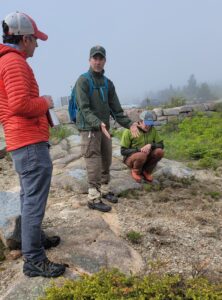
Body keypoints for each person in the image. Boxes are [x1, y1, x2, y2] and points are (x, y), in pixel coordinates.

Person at [0, 12, 66, 277]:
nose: (37, 45)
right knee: (33, 201)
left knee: (29, 197)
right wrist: (46, 103)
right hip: (28, 142)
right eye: (35, 40)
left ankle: (33, 241)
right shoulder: (14, 63)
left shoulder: (7, 61)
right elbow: (19, 105)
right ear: (24, 38)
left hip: (21, 140)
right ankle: (34, 260)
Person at [74, 45, 139, 212]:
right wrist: (98, 123)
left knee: (106, 159)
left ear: (105, 61)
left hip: (104, 128)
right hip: (90, 128)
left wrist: (130, 123)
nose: (97, 61)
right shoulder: (83, 81)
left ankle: (104, 189)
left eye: (100, 58)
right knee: (93, 160)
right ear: (89, 60)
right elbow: (84, 108)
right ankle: (93, 197)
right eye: (95, 58)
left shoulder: (108, 84)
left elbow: (116, 109)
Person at [120, 111, 164, 183]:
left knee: (159, 152)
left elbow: (161, 145)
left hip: (146, 158)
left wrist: (151, 145)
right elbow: (123, 151)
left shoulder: (152, 130)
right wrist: (140, 149)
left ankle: (146, 171)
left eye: (150, 124)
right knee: (141, 155)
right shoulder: (129, 131)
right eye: (146, 124)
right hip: (131, 159)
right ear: (140, 122)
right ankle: (136, 171)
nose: (148, 126)